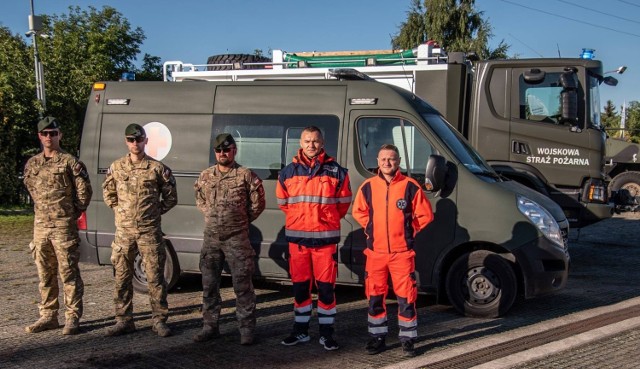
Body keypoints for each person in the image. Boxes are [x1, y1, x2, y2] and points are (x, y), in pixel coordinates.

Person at [352, 144, 434, 358]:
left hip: (402, 254)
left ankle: (408, 340)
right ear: (377, 161)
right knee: (374, 297)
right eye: (383, 159)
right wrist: (371, 228)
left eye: (392, 159)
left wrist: (410, 231)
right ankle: (377, 338)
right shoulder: (368, 186)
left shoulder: (410, 186)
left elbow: (425, 215)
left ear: (398, 162)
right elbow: (358, 211)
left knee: (406, 298)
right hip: (375, 254)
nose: (387, 162)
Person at [276, 126, 352, 351]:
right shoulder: (287, 172)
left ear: (322, 143)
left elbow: (343, 204)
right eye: (307, 141)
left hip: (325, 242)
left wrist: (323, 222)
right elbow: (283, 204)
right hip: (298, 243)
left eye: (315, 141)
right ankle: (300, 332)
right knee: (300, 289)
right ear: (301, 143)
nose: (311, 145)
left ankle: (326, 334)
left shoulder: (337, 172)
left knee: (326, 290)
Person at [102, 123, 177, 337]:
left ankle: (159, 320)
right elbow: (108, 193)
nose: (135, 143)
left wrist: (154, 213)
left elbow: (171, 197)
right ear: (126, 142)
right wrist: (120, 211)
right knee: (122, 277)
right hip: (124, 233)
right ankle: (123, 320)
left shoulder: (157, 168)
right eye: (131, 140)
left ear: (146, 141)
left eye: (139, 139)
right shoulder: (117, 167)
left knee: (155, 278)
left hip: (149, 232)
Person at [192, 133, 266, 345]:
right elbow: (200, 199)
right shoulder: (205, 176)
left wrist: (239, 221)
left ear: (234, 150)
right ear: (215, 152)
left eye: (227, 149)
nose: (222, 153)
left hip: (237, 239)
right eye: (219, 150)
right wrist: (212, 216)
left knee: (242, 286)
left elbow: (257, 204)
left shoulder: (245, 175)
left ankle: (246, 330)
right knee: (209, 285)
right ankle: (210, 326)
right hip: (211, 239)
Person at [23, 116, 93, 335]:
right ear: (39, 136)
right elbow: (30, 187)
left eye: (53, 133)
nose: (49, 137)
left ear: (60, 135)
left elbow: (84, 192)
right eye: (45, 134)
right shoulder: (33, 163)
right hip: (41, 227)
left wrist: (71, 213)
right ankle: (48, 315)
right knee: (45, 273)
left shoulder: (70, 162)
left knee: (68, 273)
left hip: (64, 226)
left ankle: (72, 317)